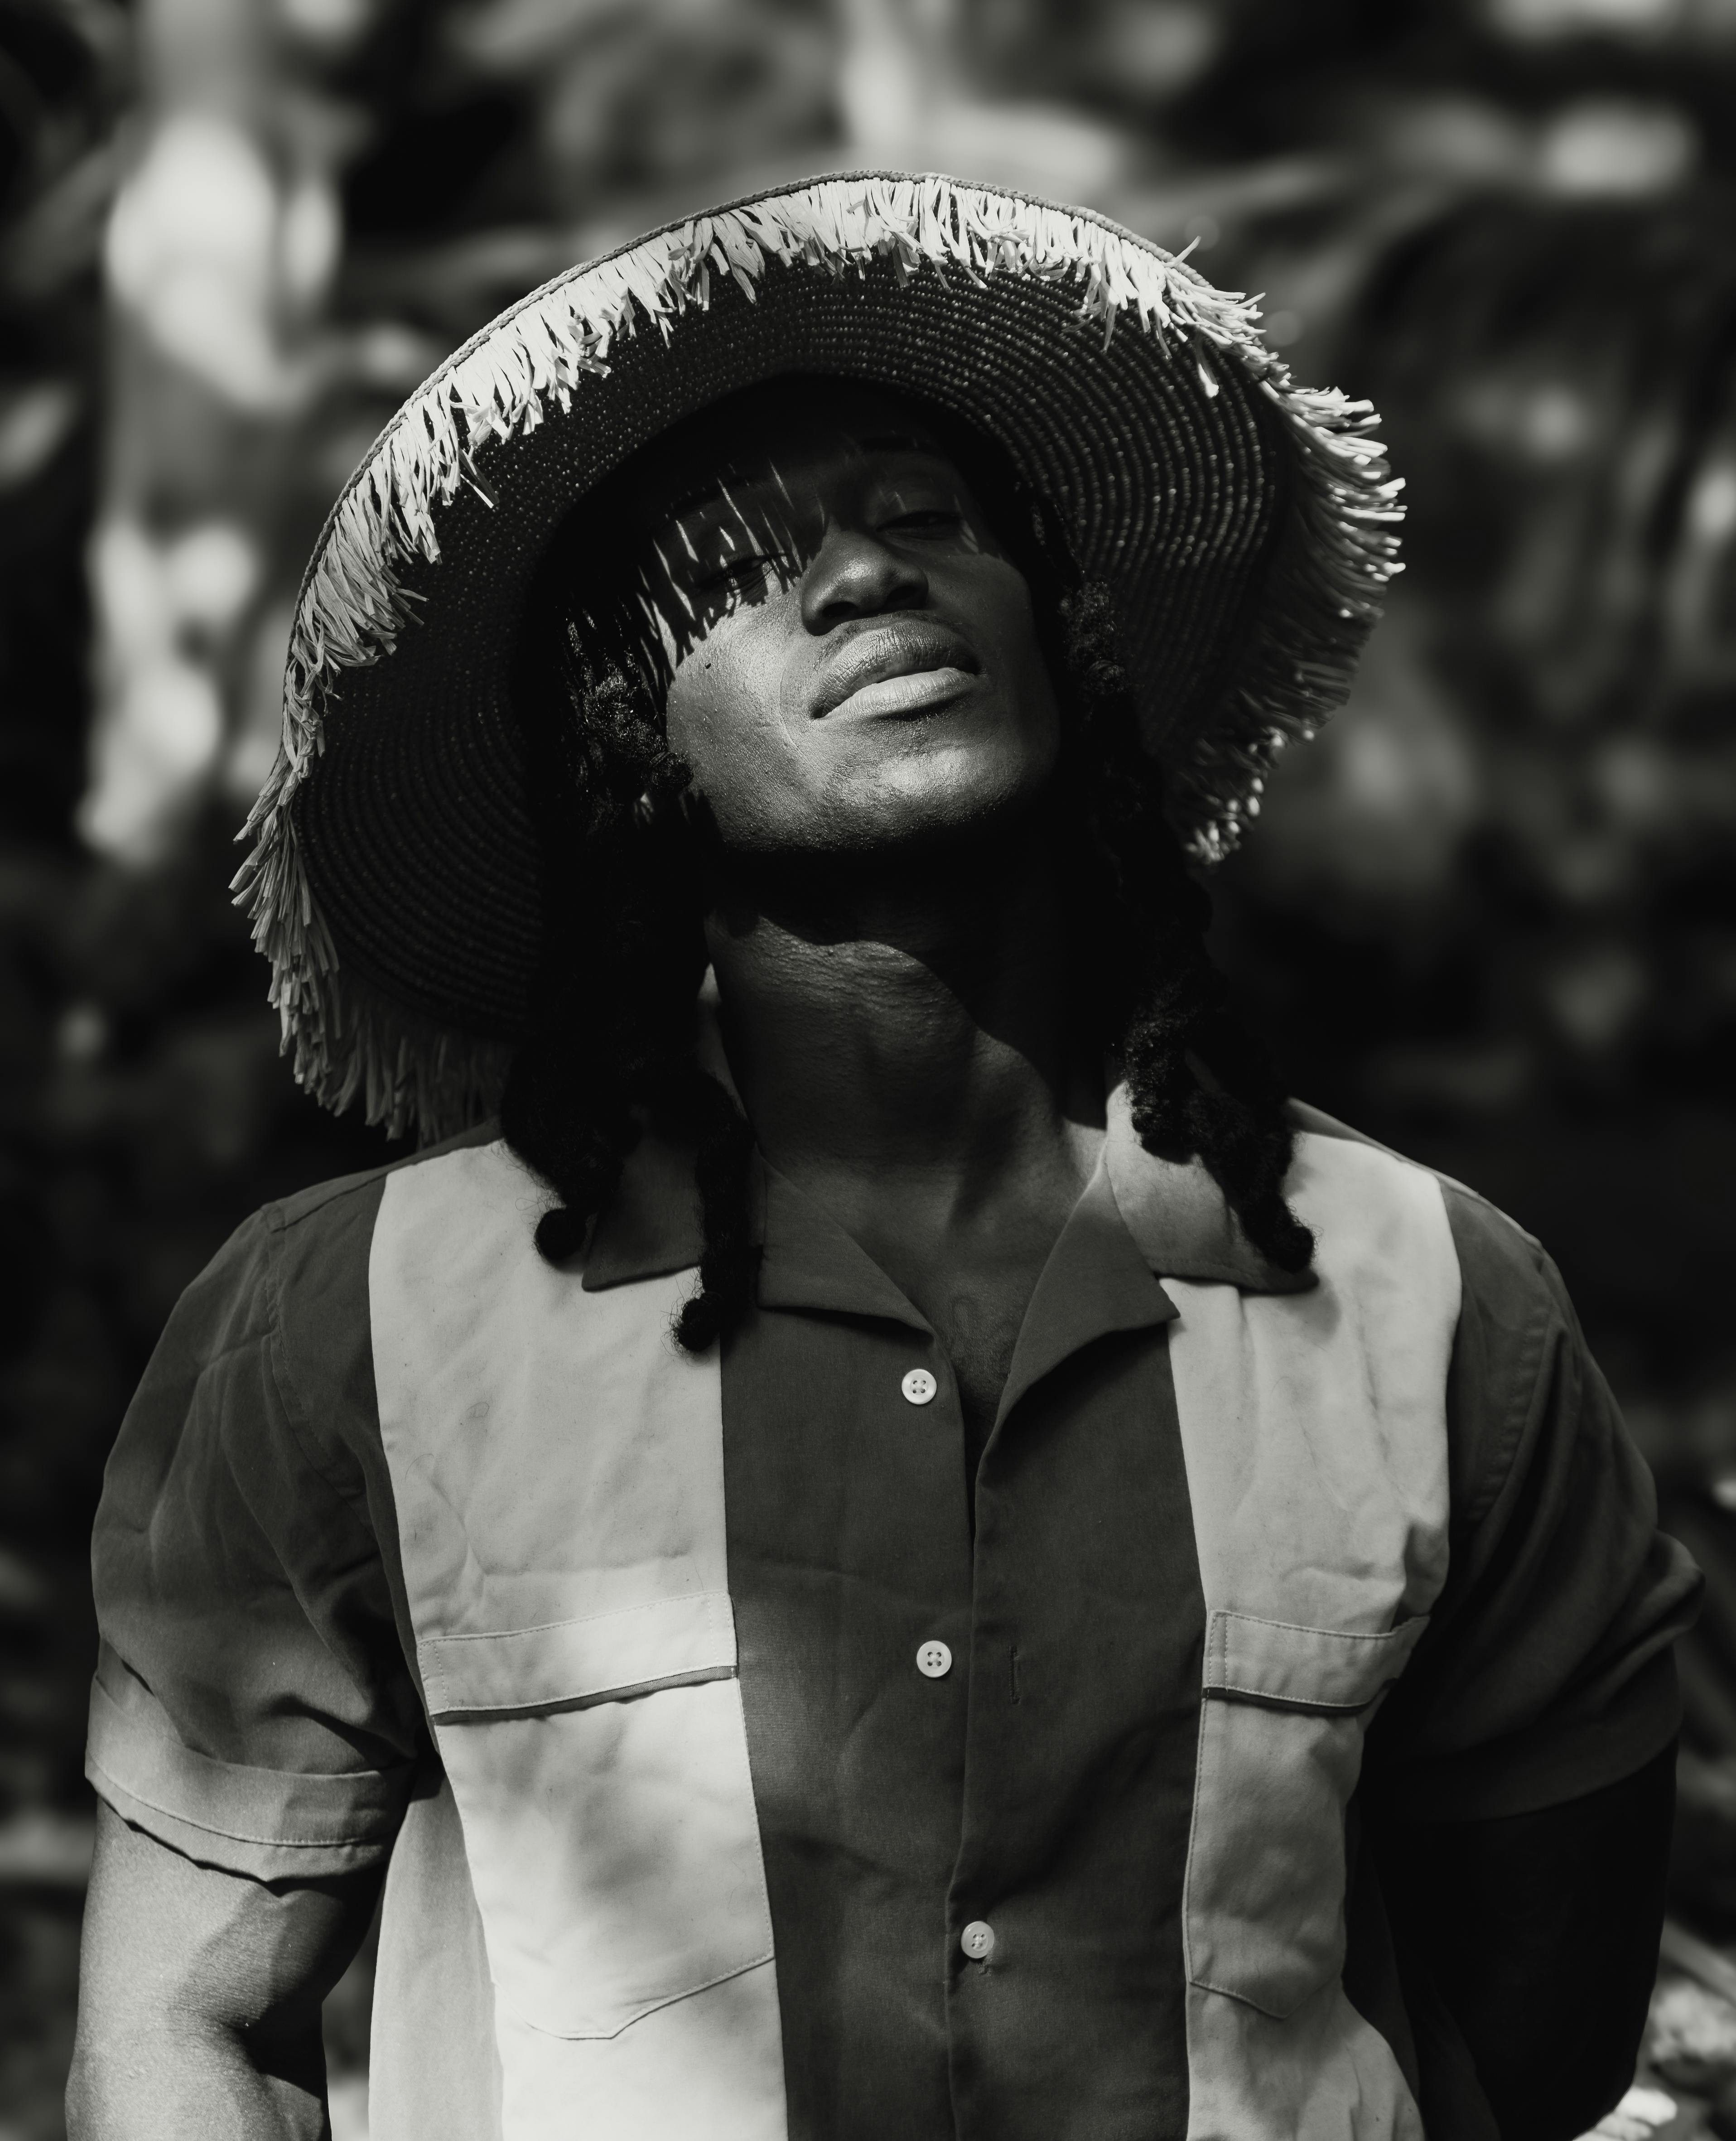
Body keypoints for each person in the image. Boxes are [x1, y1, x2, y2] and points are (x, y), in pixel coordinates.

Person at [68, 175, 1697, 2141]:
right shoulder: (354, 1328)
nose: (865, 580)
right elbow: (185, 2038)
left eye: (927, 519)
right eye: (744, 567)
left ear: (1059, 635)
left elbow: (1529, 2040)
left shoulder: (1435, 1305)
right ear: (623, 744)